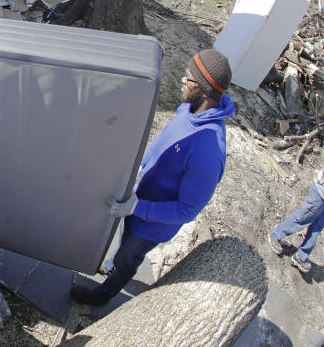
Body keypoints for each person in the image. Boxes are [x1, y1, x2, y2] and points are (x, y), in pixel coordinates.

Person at [70, 49, 235, 307]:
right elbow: (161, 145)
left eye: (188, 78)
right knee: (119, 243)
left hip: (152, 224)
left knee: (128, 257)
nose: (182, 79)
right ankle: (110, 263)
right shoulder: (188, 108)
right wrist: (136, 169)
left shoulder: (208, 151)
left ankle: (102, 296)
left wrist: (137, 207)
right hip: (138, 199)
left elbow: (186, 211)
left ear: (204, 90)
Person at [268, 165, 324, 274]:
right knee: (302, 219)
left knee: (317, 228)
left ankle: (301, 257)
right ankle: (275, 235)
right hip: (320, 192)